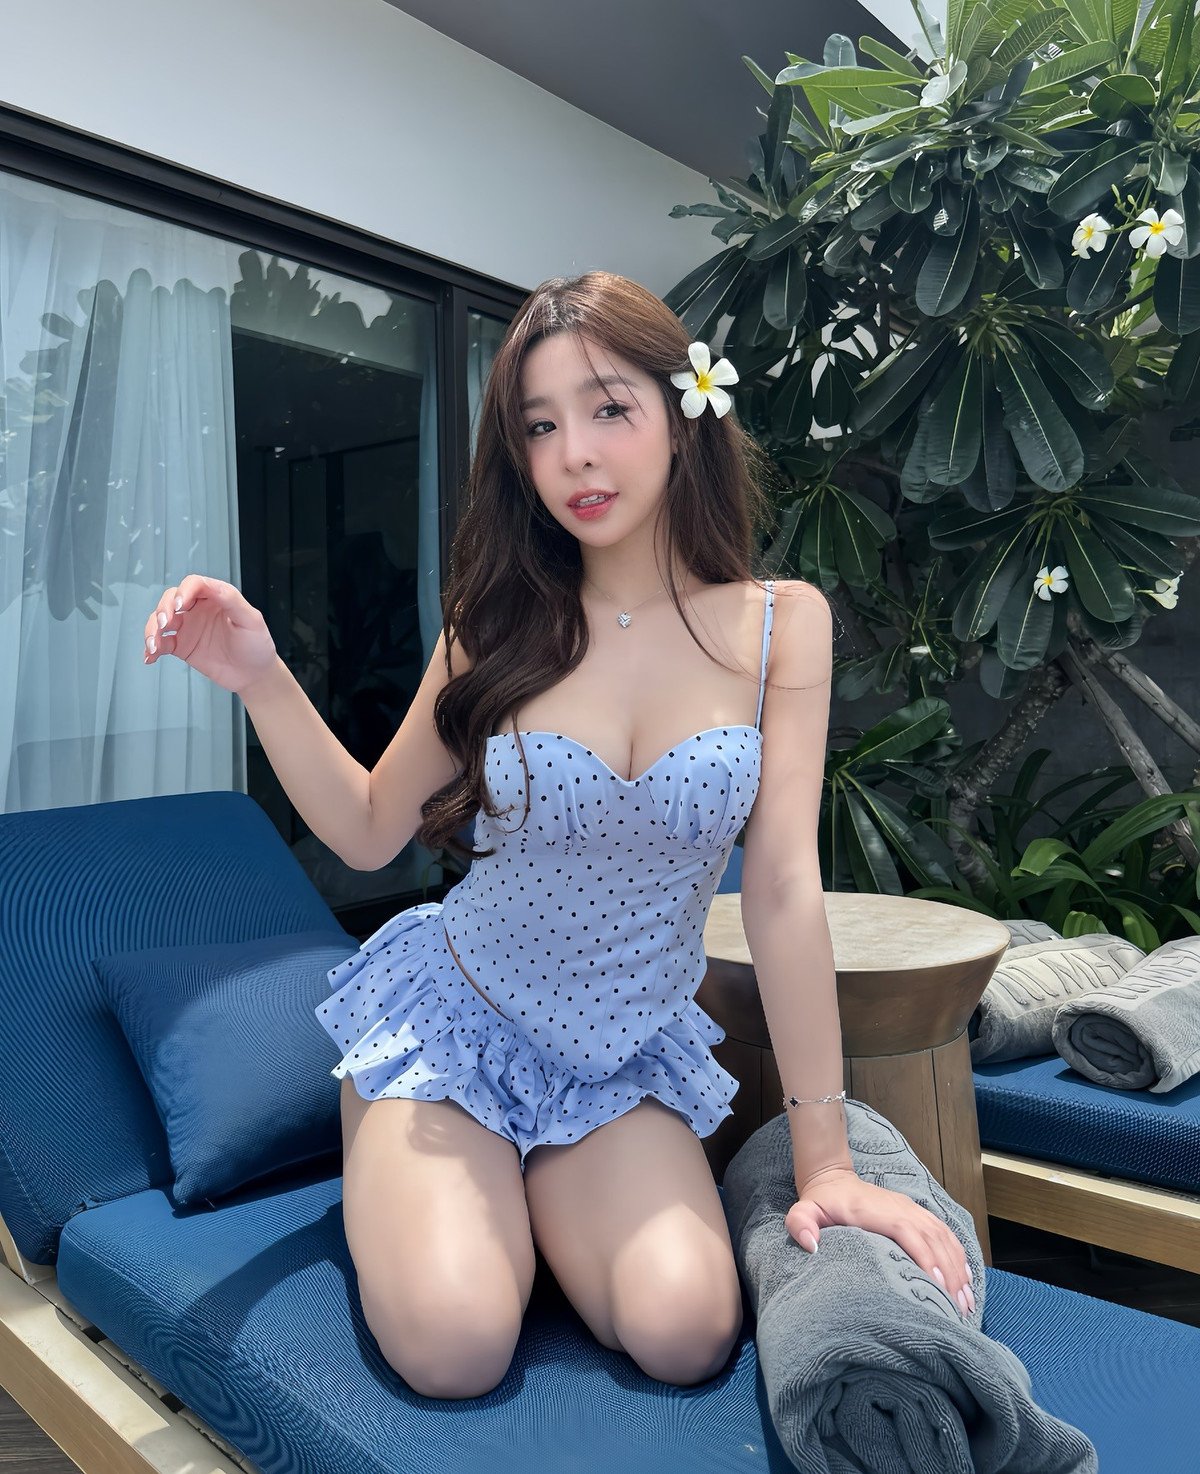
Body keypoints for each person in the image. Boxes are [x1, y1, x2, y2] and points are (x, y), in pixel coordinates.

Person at [142, 269, 974, 1402]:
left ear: (684, 415)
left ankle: (526, 1202)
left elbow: (782, 887)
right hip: (457, 1030)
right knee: (455, 1347)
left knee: (688, 1331)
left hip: (617, 1062)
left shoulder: (784, 629)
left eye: (608, 409)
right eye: (539, 427)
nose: (575, 454)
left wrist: (826, 1163)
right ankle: (437, 1180)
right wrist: (261, 676)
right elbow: (372, 829)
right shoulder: (494, 626)